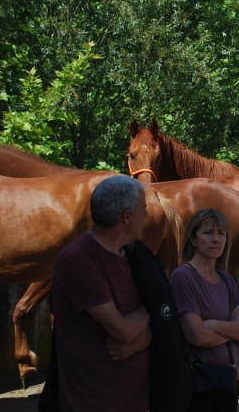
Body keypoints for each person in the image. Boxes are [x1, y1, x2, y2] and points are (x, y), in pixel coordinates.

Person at [52, 176, 152, 412]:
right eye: (143, 210)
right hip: (96, 402)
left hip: (135, 399)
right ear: (126, 217)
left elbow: (163, 324)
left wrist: (140, 344)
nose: (146, 216)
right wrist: (153, 305)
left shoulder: (133, 254)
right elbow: (124, 330)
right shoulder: (78, 261)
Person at [170, 209, 239, 412]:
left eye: (221, 233)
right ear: (193, 239)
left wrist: (213, 325)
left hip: (227, 379)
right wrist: (233, 330)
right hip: (200, 381)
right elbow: (197, 336)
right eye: (208, 232)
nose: (216, 239)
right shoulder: (183, 277)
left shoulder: (226, 279)